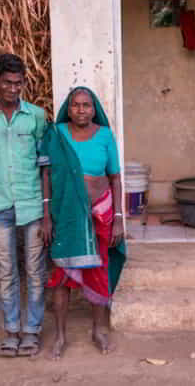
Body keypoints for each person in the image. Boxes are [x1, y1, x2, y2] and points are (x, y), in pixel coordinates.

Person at [38, 86, 126, 359]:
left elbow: (115, 178)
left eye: (86, 105)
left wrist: (119, 219)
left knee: (98, 270)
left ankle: (98, 329)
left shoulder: (105, 135)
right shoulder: (57, 134)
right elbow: (47, 175)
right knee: (61, 276)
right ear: (69, 107)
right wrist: (47, 215)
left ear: (93, 108)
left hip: (100, 212)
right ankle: (61, 335)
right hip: (66, 214)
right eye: (76, 105)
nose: (81, 110)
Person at [0, 53, 48, 357]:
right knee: (5, 271)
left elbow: (44, 163)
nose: (13, 89)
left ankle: (32, 331)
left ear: (24, 83)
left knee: (35, 270)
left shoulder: (36, 116)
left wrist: (46, 208)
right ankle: (12, 331)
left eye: (18, 83)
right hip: (0, 205)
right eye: (7, 83)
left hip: (32, 205)